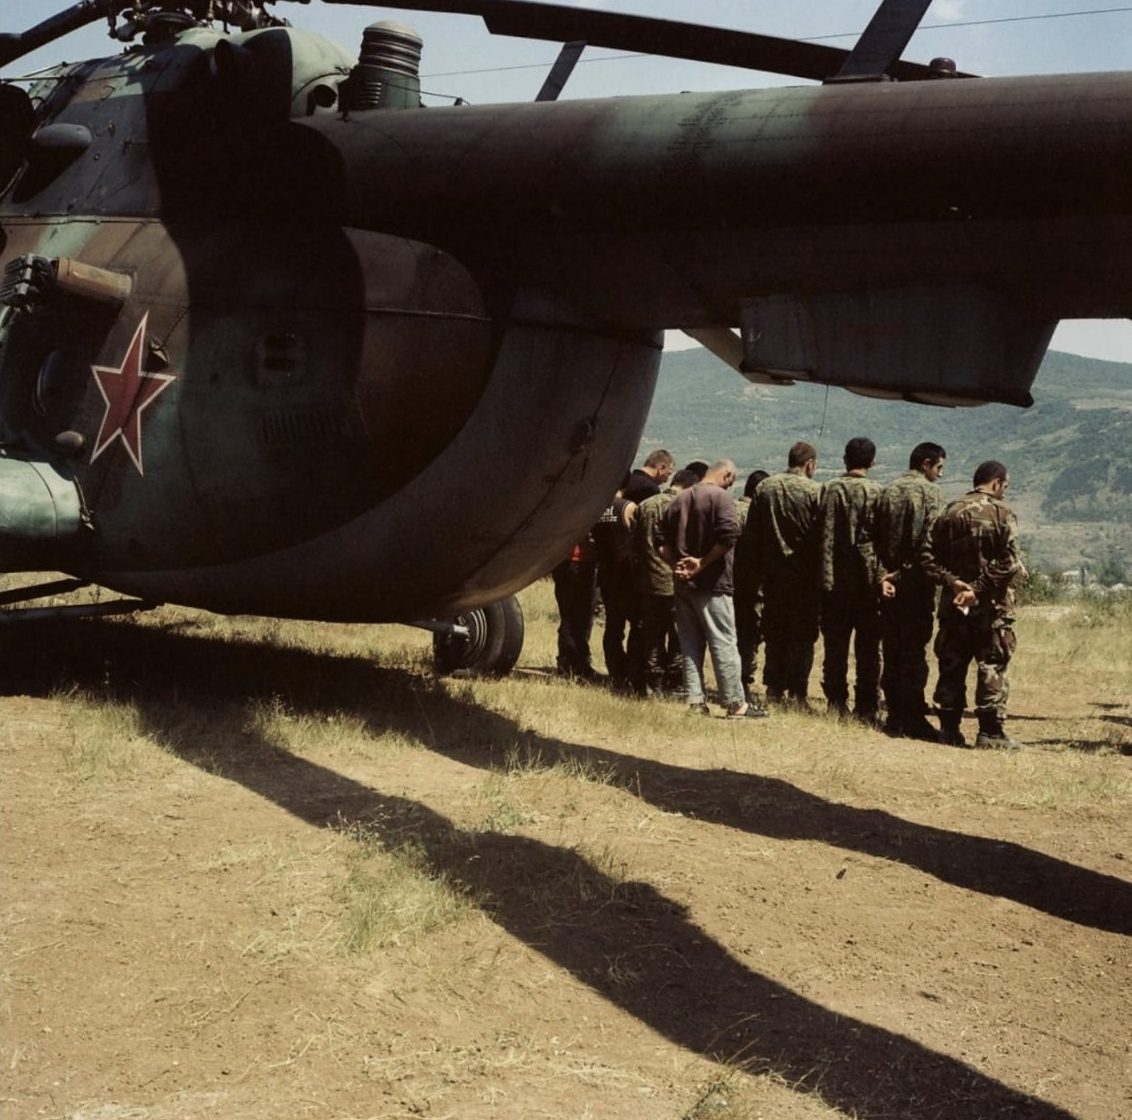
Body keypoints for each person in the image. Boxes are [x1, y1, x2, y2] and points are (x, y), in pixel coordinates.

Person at [923, 460, 1024, 749]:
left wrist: (954, 583)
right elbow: (1009, 563)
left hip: (954, 605)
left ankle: (949, 729)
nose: (1004, 491)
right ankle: (990, 732)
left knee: (952, 663)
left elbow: (927, 558)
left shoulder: (949, 512)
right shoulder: (1003, 514)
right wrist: (977, 590)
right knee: (992, 664)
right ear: (996, 483)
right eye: (1005, 486)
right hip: (992, 608)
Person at [660, 459, 765, 718]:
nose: (730, 486)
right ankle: (735, 703)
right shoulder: (721, 498)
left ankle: (695, 701)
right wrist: (702, 563)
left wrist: (677, 566)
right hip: (714, 584)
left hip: (683, 584)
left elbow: (659, 539)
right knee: (723, 642)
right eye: (732, 481)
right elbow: (729, 536)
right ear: (726, 475)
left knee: (689, 644)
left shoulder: (680, 499)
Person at [875, 442, 947, 741]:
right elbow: (930, 545)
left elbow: (873, 539)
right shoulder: (932, 494)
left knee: (892, 650)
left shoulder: (886, 491)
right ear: (926, 464)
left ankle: (894, 715)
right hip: (916, 586)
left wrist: (884, 575)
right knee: (914, 652)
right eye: (939, 467)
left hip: (888, 586)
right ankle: (913, 718)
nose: (940, 474)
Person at [743, 441, 823, 706]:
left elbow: (752, 535)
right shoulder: (815, 491)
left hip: (772, 577)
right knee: (803, 636)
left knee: (775, 633)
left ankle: (774, 689)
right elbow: (822, 537)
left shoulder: (765, 487)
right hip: (805, 579)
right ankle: (798, 692)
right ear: (809, 464)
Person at [818, 438, 883, 721]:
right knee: (868, 649)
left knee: (835, 647)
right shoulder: (878, 492)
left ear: (845, 460)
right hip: (867, 584)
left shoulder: (829, 489)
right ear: (873, 462)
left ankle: (836, 703)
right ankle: (866, 706)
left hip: (833, 582)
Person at [632, 468, 697, 694]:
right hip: (675, 579)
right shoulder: (683, 506)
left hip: (648, 581)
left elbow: (636, 543)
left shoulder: (645, 505)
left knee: (652, 634)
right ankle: (675, 680)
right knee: (679, 635)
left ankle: (653, 681)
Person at [591, 480, 639, 690]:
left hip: (606, 572)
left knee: (613, 625)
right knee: (636, 624)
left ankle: (616, 671)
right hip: (626, 575)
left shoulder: (595, 508)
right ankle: (633, 670)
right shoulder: (628, 507)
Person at [733, 469, 769, 702]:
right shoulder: (756, 515)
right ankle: (743, 682)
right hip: (751, 586)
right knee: (748, 638)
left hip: (729, 583)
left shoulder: (731, 509)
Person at [551, 533, 598, 679]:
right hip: (572, 562)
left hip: (585, 562)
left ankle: (579, 661)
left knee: (583, 617)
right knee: (571, 616)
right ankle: (569, 663)